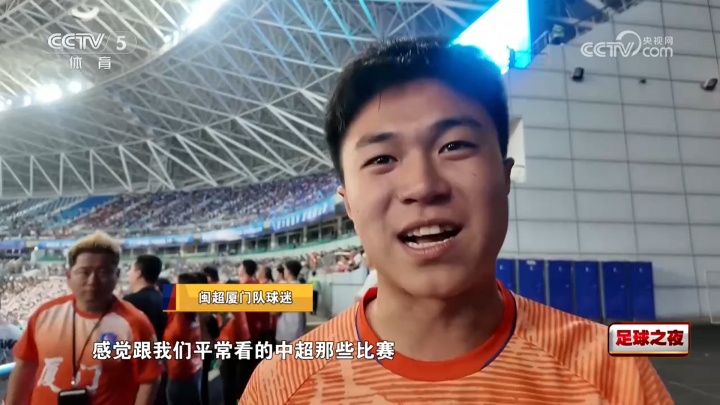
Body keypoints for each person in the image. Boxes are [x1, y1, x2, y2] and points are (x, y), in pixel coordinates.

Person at [239, 38, 673, 404]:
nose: (423, 186)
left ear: (504, 176)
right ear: (348, 203)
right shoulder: (281, 385)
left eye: (454, 146)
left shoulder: (614, 377)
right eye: (382, 158)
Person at [7, 231, 163, 405]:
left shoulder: (135, 319)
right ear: (69, 275)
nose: (93, 281)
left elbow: (150, 378)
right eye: (84, 272)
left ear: (120, 275)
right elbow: (24, 367)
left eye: (103, 272)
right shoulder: (44, 314)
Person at [125, 254, 168, 405]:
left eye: (130, 269)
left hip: (138, 372)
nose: (128, 273)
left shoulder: (129, 303)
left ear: (138, 273)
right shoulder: (164, 298)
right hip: (161, 365)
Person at [163, 273, 202, 405]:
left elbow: (170, 335)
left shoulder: (178, 316)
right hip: (192, 368)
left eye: (175, 284)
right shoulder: (194, 311)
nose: (172, 286)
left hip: (178, 373)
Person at [274, 260, 306, 345]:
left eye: (284, 269)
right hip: (298, 331)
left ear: (288, 271)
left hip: (285, 332)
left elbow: (274, 311)